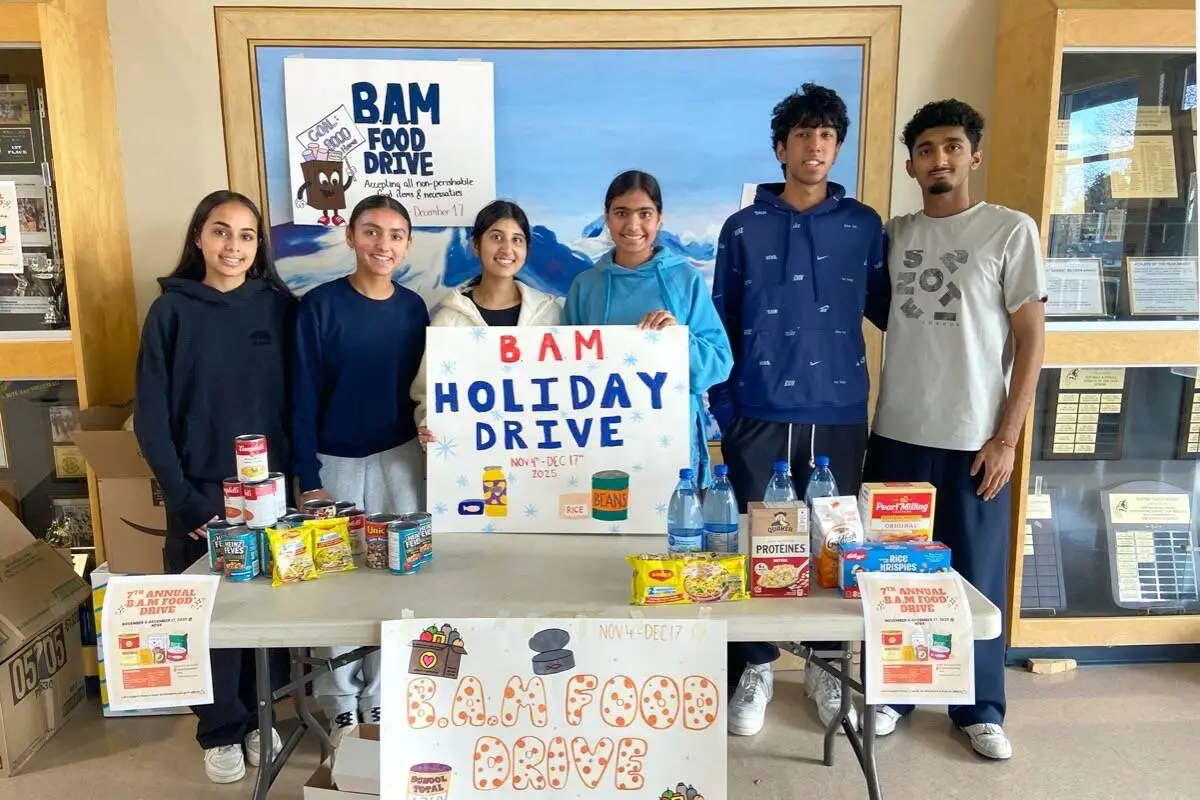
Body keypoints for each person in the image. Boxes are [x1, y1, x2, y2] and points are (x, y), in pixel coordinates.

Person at [709, 84, 890, 737]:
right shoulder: (743, 228)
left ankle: (825, 665)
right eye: (803, 135)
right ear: (780, 148)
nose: (815, 146)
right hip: (758, 409)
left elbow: (890, 309)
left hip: (839, 408)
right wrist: (728, 409)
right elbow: (720, 319)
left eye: (827, 135)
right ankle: (755, 667)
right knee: (760, 545)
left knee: (834, 544)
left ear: (837, 147)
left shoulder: (864, 226)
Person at [868, 99, 1046, 759]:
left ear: (973, 155)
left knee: (975, 579)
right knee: (897, 573)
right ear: (910, 165)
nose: (938, 159)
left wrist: (1008, 437)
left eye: (951, 147)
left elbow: (1032, 341)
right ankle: (895, 693)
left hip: (975, 439)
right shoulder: (895, 235)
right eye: (925, 150)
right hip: (897, 433)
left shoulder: (1009, 231)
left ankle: (980, 709)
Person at [133, 190, 293, 784]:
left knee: (268, 607)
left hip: (271, 494)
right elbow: (152, 419)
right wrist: (186, 501)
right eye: (221, 231)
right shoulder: (170, 312)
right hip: (200, 492)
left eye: (247, 235)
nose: (233, 245)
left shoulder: (279, 308)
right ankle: (220, 730)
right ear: (199, 236)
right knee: (208, 615)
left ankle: (259, 716)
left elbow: (297, 402)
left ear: (259, 246)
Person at [292, 194, 430, 739]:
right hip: (335, 463)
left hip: (400, 458)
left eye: (395, 235)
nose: (383, 244)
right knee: (337, 584)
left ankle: (383, 696)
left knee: (400, 578)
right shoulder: (319, 307)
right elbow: (301, 397)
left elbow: (424, 392)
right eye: (372, 231)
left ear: (407, 245)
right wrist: (309, 477)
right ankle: (340, 702)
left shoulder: (414, 309)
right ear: (350, 237)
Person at [562, 170, 733, 485]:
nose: (633, 225)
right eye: (621, 213)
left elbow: (719, 364)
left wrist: (679, 339)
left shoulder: (685, 280)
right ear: (607, 218)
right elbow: (562, 369)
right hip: (603, 437)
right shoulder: (586, 286)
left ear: (659, 219)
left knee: (673, 515)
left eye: (644, 214)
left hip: (671, 438)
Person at [412, 199, 561, 445]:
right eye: (496, 237)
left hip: (535, 448)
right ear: (476, 245)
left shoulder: (550, 315)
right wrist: (429, 424)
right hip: (472, 450)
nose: (507, 249)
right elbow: (428, 392)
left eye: (517, 240)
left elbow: (563, 387)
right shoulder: (449, 320)